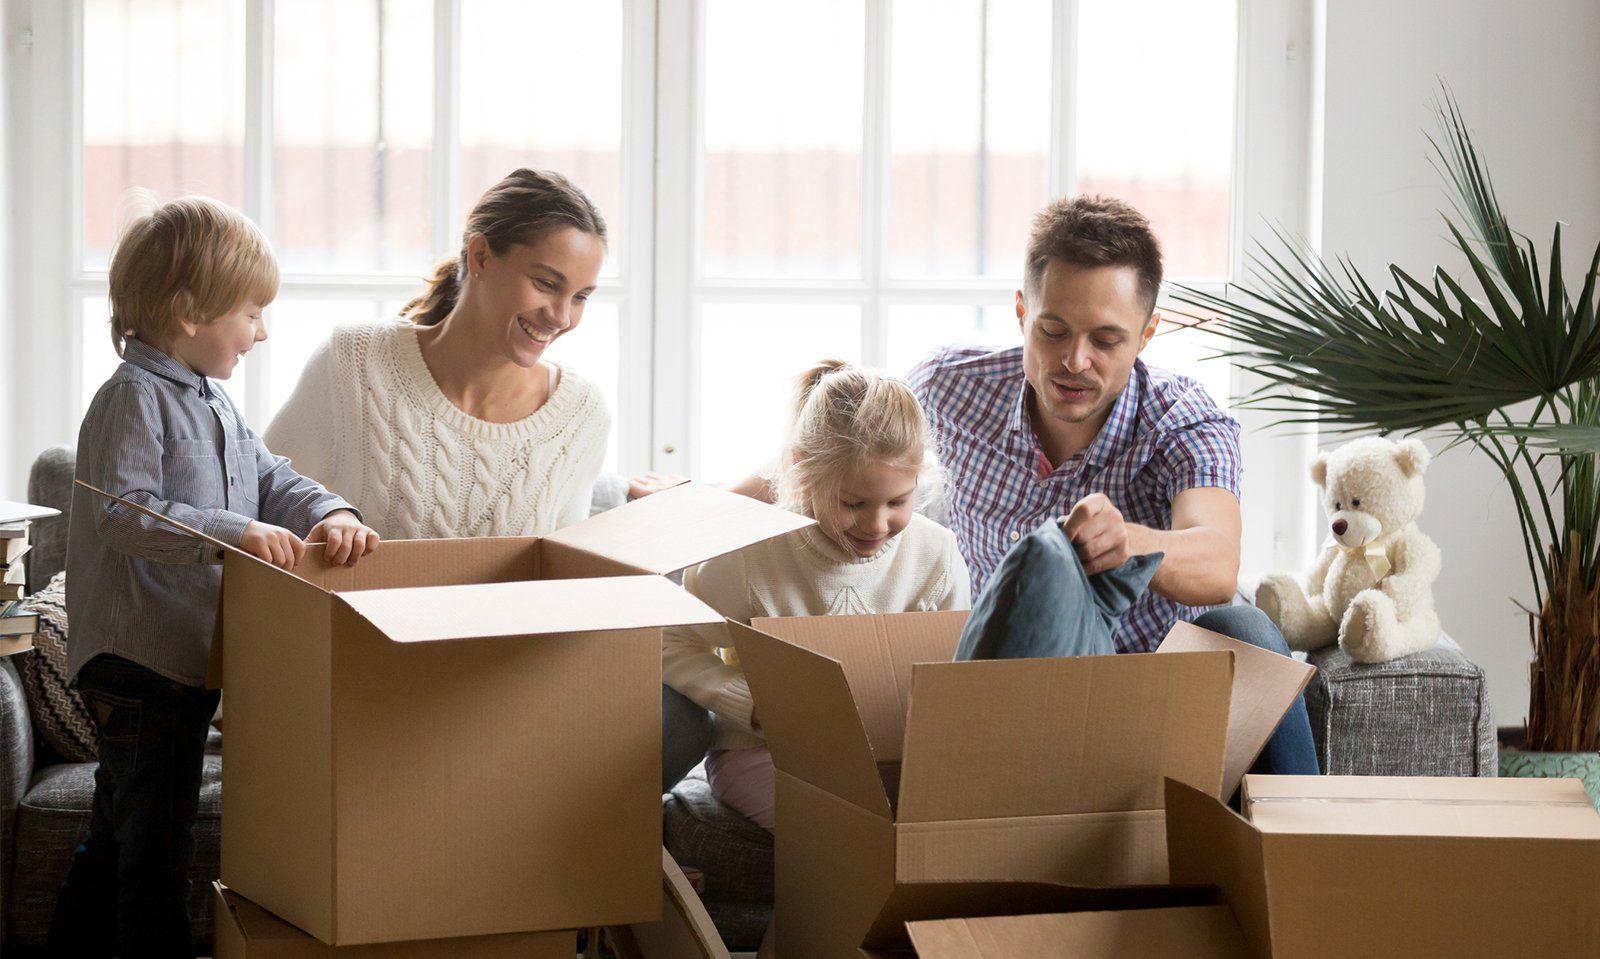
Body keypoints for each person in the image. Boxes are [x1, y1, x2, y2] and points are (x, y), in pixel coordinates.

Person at [50, 197, 379, 956]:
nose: (262, 331)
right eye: (252, 312)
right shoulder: (132, 398)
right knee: (157, 856)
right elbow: (125, 512)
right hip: (140, 663)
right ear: (190, 310)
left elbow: (272, 477)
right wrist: (235, 534)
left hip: (184, 660)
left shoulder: (214, 401)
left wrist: (331, 512)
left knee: (117, 836)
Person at [906, 194, 1319, 776]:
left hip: (1150, 718)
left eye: (1105, 340)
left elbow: (1217, 561)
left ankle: (1299, 854)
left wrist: (1125, 541)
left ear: (1147, 333)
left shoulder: (1182, 420)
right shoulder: (947, 388)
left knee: (1244, 628)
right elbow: (824, 463)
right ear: (1022, 312)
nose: (1076, 361)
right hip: (1008, 700)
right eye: (1053, 330)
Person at [663, 360, 971, 832]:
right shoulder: (749, 557)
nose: (876, 526)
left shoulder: (936, 554)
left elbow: (955, 675)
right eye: (853, 504)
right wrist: (750, 702)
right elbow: (669, 642)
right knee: (852, 833)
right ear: (802, 473)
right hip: (764, 754)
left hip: (887, 751)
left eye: (897, 502)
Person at [265, 168, 610, 539]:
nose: (561, 317)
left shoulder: (580, 413)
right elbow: (259, 501)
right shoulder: (355, 363)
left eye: (580, 297)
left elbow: (564, 576)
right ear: (480, 257)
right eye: (546, 284)